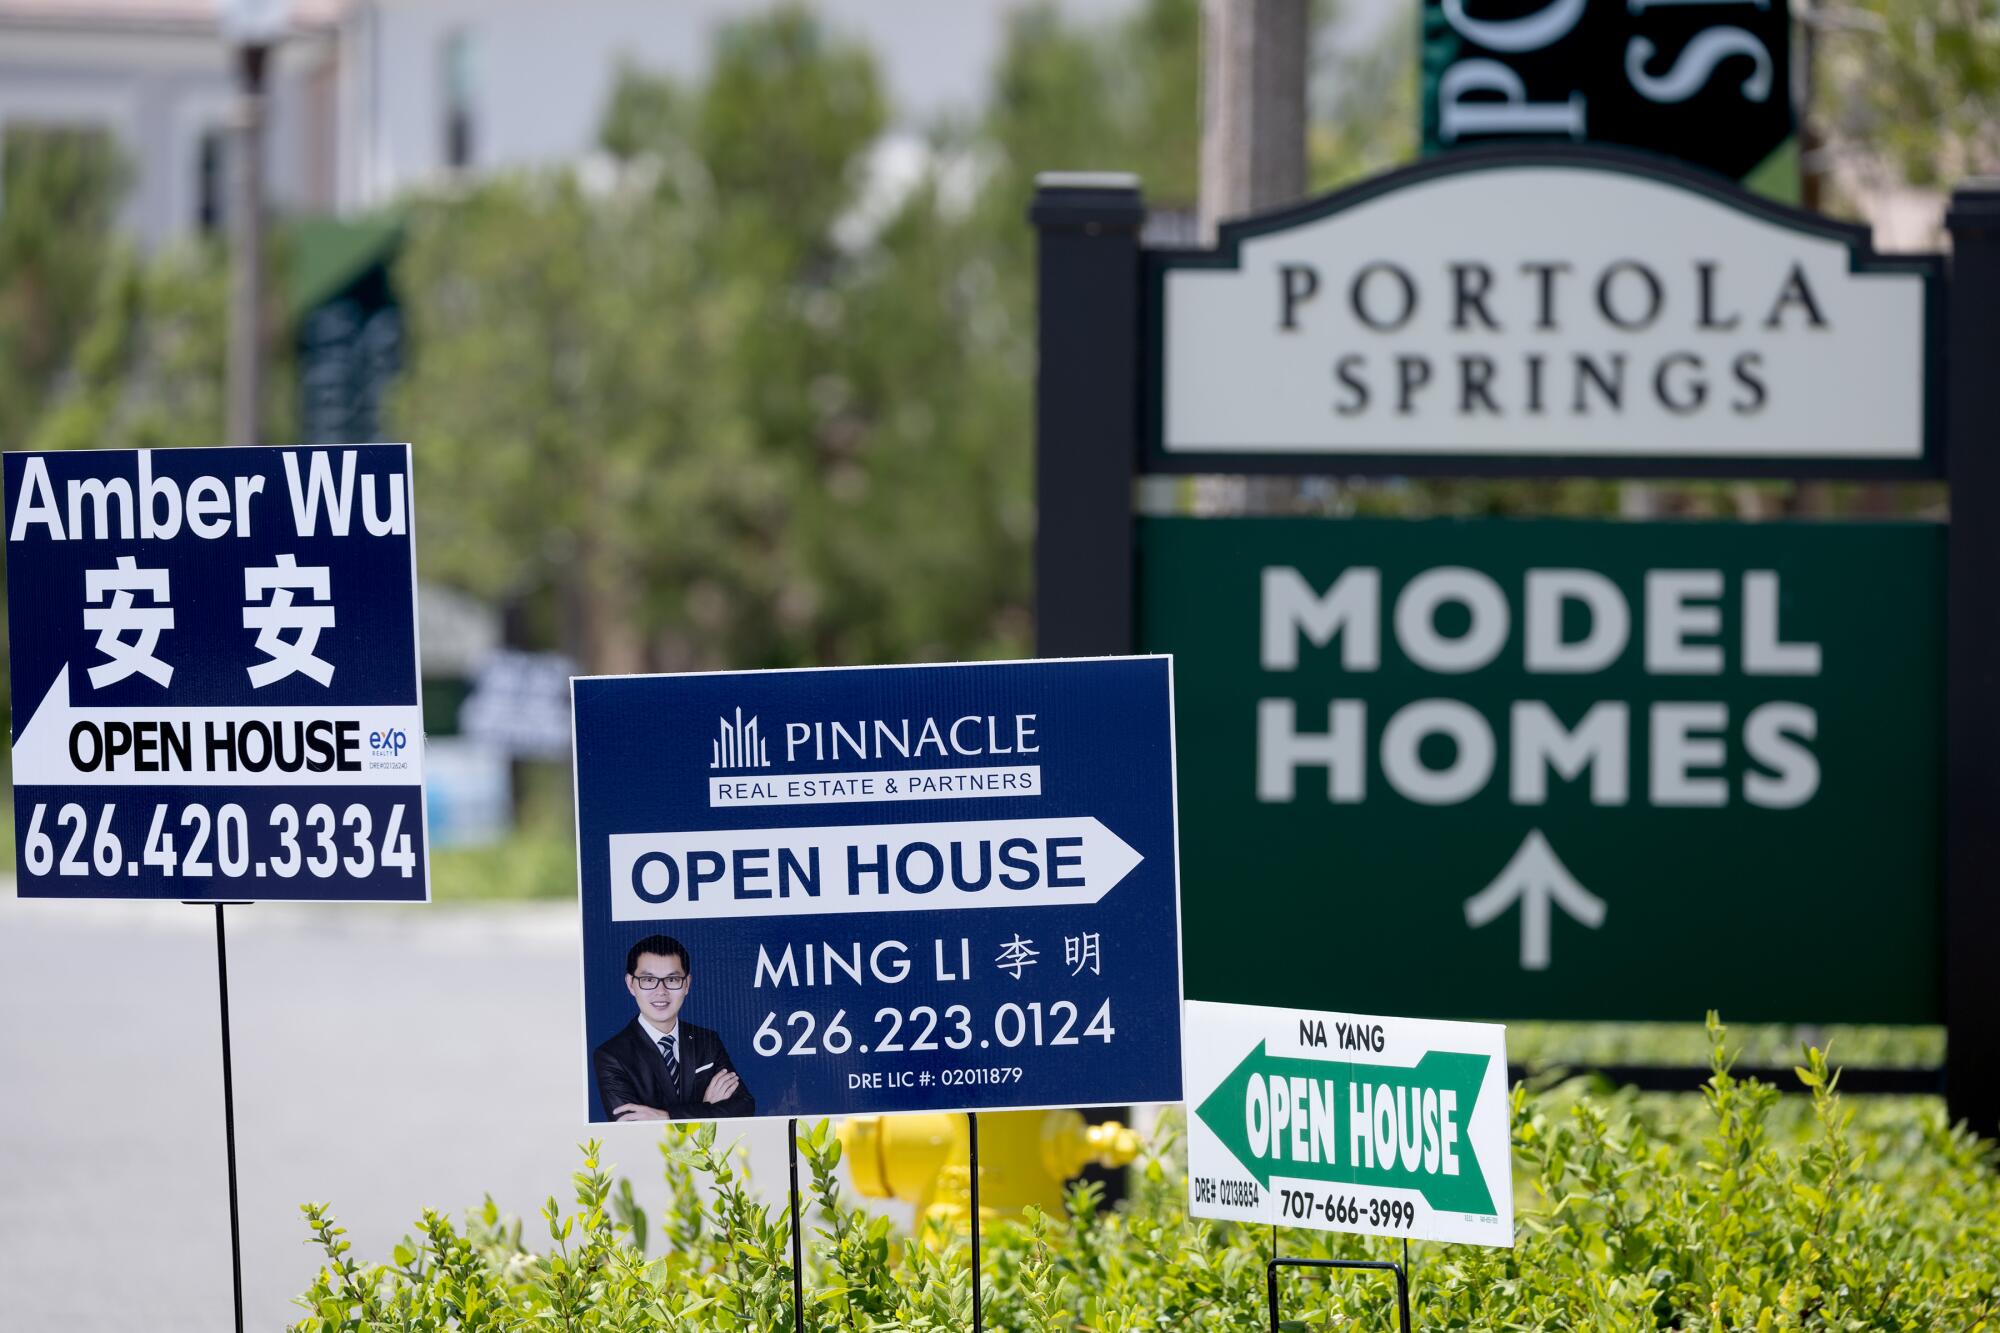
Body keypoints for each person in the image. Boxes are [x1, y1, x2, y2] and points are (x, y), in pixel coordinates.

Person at [593, 934, 755, 1121]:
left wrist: (666, 1116)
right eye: (648, 980)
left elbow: (744, 1106)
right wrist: (706, 1108)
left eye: (672, 980)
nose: (660, 992)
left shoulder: (707, 1040)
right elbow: (632, 1127)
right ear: (631, 984)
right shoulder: (611, 1055)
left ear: (686, 984)